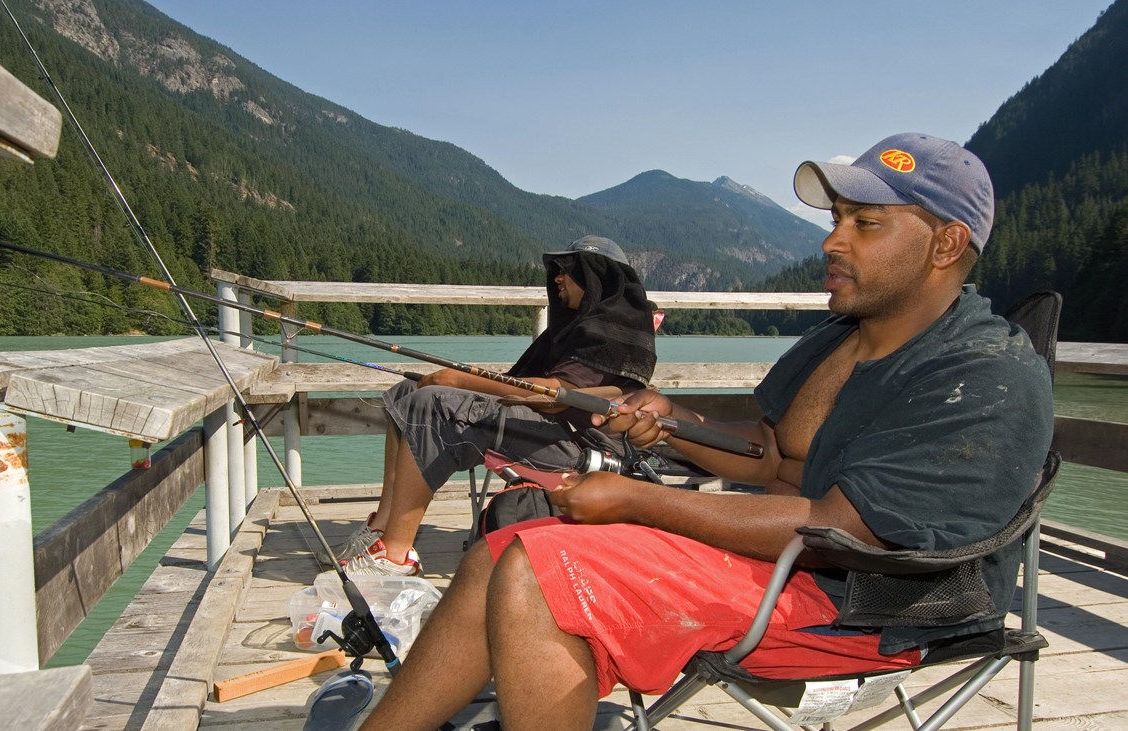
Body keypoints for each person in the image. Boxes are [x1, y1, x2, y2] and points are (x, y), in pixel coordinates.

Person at [359, 133, 1054, 730]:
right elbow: (770, 455)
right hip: (798, 565)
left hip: (873, 608)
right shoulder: (840, 337)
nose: (831, 239)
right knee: (499, 552)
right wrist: (669, 425)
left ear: (946, 244)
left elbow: (846, 528)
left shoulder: (984, 371)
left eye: (865, 224)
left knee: (541, 574)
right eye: (838, 217)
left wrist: (636, 499)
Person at [330, 235, 658, 576]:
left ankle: (395, 558)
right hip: (547, 429)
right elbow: (530, 387)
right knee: (407, 391)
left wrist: (458, 380)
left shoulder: (609, 330)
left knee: (431, 404)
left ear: (596, 277)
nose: (557, 278)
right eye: (557, 271)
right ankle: (382, 527)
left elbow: (552, 396)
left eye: (567, 270)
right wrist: (456, 380)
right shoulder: (574, 326)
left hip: (580, 445)